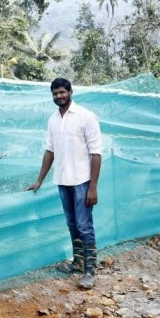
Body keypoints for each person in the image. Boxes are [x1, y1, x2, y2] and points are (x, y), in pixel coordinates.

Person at [27, 77, 102, 289]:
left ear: (70, 92)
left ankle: (90, 271)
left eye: (62, 92)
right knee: (72, 224)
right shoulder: (53, 120)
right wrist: (39, 180)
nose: (59, 96)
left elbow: (96, 153)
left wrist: (93, 187)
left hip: (82, 181)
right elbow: (50, 150)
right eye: (55, 93)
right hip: (62, 180)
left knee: (84, 225)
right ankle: (78, 263)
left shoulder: (86, 117)